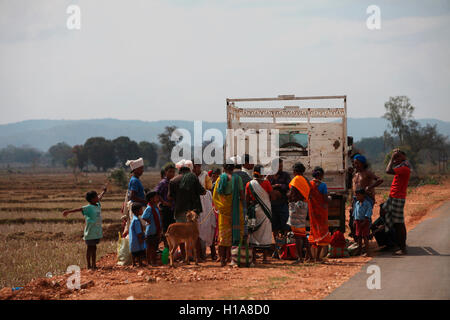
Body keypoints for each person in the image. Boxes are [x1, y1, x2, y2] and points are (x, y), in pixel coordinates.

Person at [62, 184, 107, 270]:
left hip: (96, 231)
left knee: (94, 248)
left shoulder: (97, 204)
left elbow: (100, 197)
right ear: (92, 199)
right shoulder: (88, 207)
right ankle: (89, 265)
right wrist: (68, 211)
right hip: (90, 232)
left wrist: (103, 192)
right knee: (90, 248)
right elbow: (79, 209)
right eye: (96, 196)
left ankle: (94, 265)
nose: (98, 197)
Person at [168, 159, 206, 260]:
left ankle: (185, 257)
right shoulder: (193, 177)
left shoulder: (173, 181)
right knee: (193, 235)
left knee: (181, 235)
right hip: (192, 212)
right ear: (189, 169)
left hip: (179, 210)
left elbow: (170, 197)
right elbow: (202, 192)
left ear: (179, 169)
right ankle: (196, 257)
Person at [212, 161, 245, 267]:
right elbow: (241, 194)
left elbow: (215, 195)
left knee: (223, 235)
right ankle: (232, 258)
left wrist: (220, 206)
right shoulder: (238, 179)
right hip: (235, 209)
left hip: (223, 210)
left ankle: (222, 259)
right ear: (233, 168)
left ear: (224, 168)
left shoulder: (219, 179)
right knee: (234, 233)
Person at [383, 149, 411, 255]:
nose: (396, 159)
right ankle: (394, 242)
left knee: (399, 224)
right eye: (396, 156)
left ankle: (402, 248)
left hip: (398, 198)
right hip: (394, 197)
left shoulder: (404, 168)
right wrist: (395, 159)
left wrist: (391, 158)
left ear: (404, 157)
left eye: (398, 156)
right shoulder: (401, 166)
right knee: (385, 211)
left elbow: (388, 171)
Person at [349, 154, 383, 240]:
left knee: (364, 219)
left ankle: (366, 239)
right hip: (356, 199)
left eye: (357, 163)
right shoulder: (355, 174)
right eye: (354, 163)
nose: (355, 165)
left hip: (366, 199)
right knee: (354, 220)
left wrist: (370, 187)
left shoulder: (367, 173)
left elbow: (380, 180)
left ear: (362, 163)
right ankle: (358, 240)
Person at [245, 165, 273, 264]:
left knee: (253, 233)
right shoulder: (266, 183)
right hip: (265, 211)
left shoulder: (249, 184)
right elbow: (272, 196)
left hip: (254, 211)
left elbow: (247, 199)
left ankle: (253, 258)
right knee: (265, 232)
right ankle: (265, 258)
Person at [193, 160, 216, 261]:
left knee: (208, 226)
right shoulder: (191, 175)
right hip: (195, 202)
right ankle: (199, 254)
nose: (197, 168)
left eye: (198, 166)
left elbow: (209, 188)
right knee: (196, 228)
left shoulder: (205, 175)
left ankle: (213, 252)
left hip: (205, 202)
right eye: (195, 166)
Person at [267, 158, 292, 254]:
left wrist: (279, 186)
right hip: (273, 205)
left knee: (285, 225)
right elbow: (266, 186)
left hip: (282, 204)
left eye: (281, 166)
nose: (280, 168)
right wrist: (274, 186)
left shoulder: (285, 175)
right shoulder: (269, 176)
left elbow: (288, 186)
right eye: (279, 166)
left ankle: (285, 245)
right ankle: (277, 247)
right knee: (275, 226)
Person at [308, 167, 332, 262]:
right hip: (322, 213)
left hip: (312, 212)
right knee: (322, 234)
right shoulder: (323, 185)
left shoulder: (309, 184)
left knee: (313, 232)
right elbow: (326, 199)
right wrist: (330, 198)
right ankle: (317, 257)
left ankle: (308, 257)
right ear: (321, 175)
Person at [287, 184, 312, 263]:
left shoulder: (298, 204)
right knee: (303, 237)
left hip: (297, 223)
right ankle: (310, 256)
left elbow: (289, 197)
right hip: (300, 222)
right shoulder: (303, 202)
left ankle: (300, 258)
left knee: (298, 238)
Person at [155, 163, 176, 249]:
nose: (172, 174)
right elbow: (157, 193)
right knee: (166, 229)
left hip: (172, 209)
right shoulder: (163, 183)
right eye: (170, 172)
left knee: (172, 229)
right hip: (165, 209)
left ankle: (171, 247)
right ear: (166, 172)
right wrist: (163, 202)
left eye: (173, 172)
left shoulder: (173, 182)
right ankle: (167, 247)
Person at [142, 191, 163, 266]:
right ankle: (150, 261)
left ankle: (152, 261)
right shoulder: (149, 208)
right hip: (151, 231)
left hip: (155, 230)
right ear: (151, 199)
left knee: (154, 247)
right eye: (156, 197)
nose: (158, 198)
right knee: (150, 247)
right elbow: (144, 217)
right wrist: (149, 222)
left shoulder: (155, 207)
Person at [352, 188, 373, 256]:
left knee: (365, 236)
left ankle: (367, 252)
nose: (357, 197)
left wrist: (365, 221)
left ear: (363, 195)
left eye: (358, 195)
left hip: (365, 221)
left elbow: (368, 212)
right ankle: (359, 250)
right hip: (358, 221)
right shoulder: (357, 203)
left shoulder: (367, 204)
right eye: (356, 195)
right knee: (359, 237)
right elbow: (355, 212)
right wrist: (355, 221)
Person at [129, 202, 146, 267]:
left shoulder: (134, 219)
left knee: (134, 252)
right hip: (137, 239)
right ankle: (140, 263)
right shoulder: (136, 221)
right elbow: (138, 232)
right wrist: (141, 238)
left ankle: (134, 263)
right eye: (141, 209)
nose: (142, 211)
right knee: (139, 252)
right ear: (136, 211)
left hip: (133, 239)